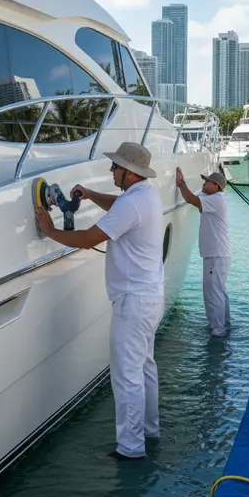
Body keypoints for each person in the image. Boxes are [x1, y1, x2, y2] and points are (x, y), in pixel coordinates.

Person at [35, 142, 164, 461]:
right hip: (149, 297)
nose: (111, 170)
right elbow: (120, 206)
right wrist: (91, 194)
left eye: (115, 167)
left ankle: (131, 447)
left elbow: (90, 239)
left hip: (133, 303)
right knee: (144, 367)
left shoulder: (131, 204)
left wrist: (50, 231)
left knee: (127, 375)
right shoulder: (144, 194)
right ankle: (150, 429)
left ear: (129, 173)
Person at [175, 168, 231, 336]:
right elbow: (196, 199)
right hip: (216, 253)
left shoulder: (216, 199)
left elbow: (191, 199)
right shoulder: (212, 199)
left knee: (213, 292)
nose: (203, 184)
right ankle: (224, 324)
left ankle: (218, 329)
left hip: (216, 254)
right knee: (218, 291)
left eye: (206, 182)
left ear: (216, 185)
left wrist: (181, 184)